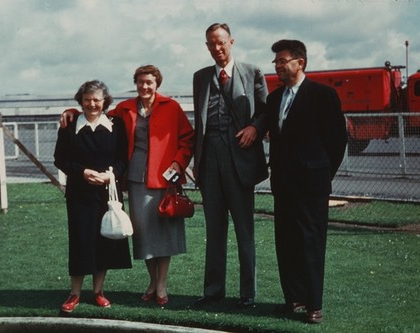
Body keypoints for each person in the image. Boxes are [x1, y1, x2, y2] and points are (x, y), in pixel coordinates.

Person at [60, 65, 195, 306]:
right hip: (134, 179)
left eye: (149, 82)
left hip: (164, 177)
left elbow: (187, 139)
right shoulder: (125, 109)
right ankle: (152, 282)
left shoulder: (171, 107)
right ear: (136, 83)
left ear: (157, 84)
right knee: (143, 234)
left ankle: (161, 285)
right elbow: (95, 111)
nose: (145, 86)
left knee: (163, 234)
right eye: (141, 82)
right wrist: (71, 110)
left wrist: (178, 164)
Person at [265, 40, 347, 323]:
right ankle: (294, 299)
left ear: (300, 63)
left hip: (311, 186)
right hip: (283, 185)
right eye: (275, 61)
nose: (277, 66)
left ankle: (314, 305)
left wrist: (322, 174)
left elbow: (337, 141)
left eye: (282, 61)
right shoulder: (274, 99)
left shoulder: (323, 95)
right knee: (286, 242)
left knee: (310, 243)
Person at [192, 23, 268, 308]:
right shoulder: (201, 77)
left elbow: (265, 111)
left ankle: (247, 294)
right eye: (211, 44)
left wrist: (255, 129)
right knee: (214, 230)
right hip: (209, 160)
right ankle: (213, 291)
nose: (217, 48)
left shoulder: (252, 72)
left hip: (240, 160)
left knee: (244, 230)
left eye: (221, 42)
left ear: (231, 42)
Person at [54, 80, 132, 313]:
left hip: (108, 192)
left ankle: (98, 291)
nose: (92, 104)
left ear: (105, 101)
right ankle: (74, 293)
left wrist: (111, 176)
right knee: (80, 240)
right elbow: (61, 159)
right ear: (81, 100)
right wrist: (82, 172)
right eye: (87, 99)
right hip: (80, 192)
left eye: (97, 99)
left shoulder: (116, 125)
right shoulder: (69, 126)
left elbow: (122, 159)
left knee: (104, 240)